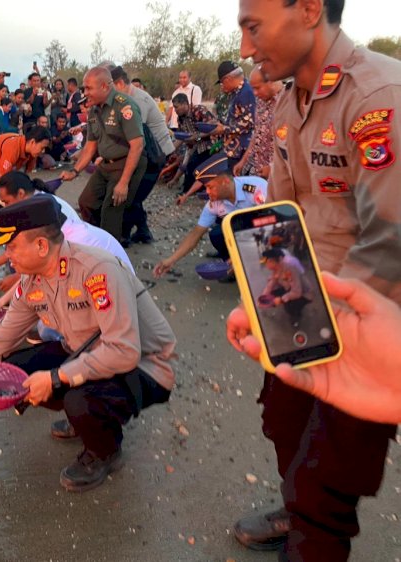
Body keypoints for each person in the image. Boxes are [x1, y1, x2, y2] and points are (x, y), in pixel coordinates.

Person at [232, 0, 401, 559]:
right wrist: (267, 296)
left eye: (253, 27)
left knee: (326, 480)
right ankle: (295, 508)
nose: (245, 49)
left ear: (307, 9)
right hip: (302, 309)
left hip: (367, 329)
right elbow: (281, 212)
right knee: (281, 422)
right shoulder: (286, 102)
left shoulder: (376, 97)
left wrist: (324, 326)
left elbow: (390, 241)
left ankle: (311, 526)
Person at [0, 196, 177, 492]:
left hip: (145, 365)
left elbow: (124, 351)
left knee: (79, 399)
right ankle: (85, 419)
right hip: (86, 352)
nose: (6, 255)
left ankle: (104, 452)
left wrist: (56, 378)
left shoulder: (96, 269)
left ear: (41, 246)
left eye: (11, 247)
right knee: (14, 371)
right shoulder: (32, 280)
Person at [228, 273, 401, 425]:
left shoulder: (292, 268)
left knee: (324, 442)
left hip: (343, 342)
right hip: (326, 352)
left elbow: (375, 260)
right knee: (284, 424)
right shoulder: (281, 268)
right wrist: (251, 308)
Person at [0, 171, 135, 299]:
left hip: (117, 285)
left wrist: (18, 279)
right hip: (99, 268)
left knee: (47, 327)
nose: (5, 206)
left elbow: (40, 263)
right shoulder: (37, 208)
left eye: (7, 202)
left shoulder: (44, 220)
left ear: (21, 193)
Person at [60, 67, 147, 242]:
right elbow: (90, 147)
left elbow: (137, 146)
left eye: (88, 88)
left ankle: (112, 254)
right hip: (106, 164)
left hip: (126, 163)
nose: (85, 92)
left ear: (105, 87)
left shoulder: (125, 106)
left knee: (112, 210)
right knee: (86, 202)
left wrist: (123, 183)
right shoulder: (93, 110)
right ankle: (100, 239)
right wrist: (74, 171)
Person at [152, 153, 266, 278]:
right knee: (217, 234)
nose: (207, 192)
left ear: (225, 182)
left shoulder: (256, 188)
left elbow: (279, 220)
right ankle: (234, 266)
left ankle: (251, 262)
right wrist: (170, 260)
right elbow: (195, 234)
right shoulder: (214, 204)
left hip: (268, 233)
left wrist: (246, 252)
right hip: (245, 235)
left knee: (244, 221)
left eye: (210, 187)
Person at [108, 63, 175, 246]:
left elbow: (134, 137)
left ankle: (124, 235)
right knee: (135, 191)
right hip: (148, 150)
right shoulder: (126, 99)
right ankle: (143, 232)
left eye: (110, 87)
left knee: (131, 192)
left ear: (120, 84)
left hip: (156, 152)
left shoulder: (138, 101)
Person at [0, 127, 51, 252]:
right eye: (42, 147)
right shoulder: (12, 147)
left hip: (0, 170)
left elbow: (25, 176)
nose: (43, 151)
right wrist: (5, 200)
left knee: (13, 204)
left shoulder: (32, 153)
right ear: (33, 142)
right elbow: (0, 180)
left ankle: (8, 237)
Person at [232, 67, 283, 178]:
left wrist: (273, 168)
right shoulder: (260, 102)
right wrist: (243, 161)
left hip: (278, 176)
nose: (255, 93)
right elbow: (257, 134)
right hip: (257, 169)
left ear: (270, 81)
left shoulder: (287, 102)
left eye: (257, 88)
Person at [210, 61, 256, 170]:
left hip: (239, 150)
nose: (222, 86)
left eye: (222, 83)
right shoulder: (237, 92)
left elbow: (248, 123)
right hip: (231, 147)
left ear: (227, 79)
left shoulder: (246, 92)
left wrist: (223, 129)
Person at [172, 93, 219, 195]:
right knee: (190, 167)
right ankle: (190, 190)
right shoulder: (181, 119)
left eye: (176, 107)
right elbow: (181, 137)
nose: (175, 110)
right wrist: (170, 150)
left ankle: (190, 191)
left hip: (211, 144)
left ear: (185, 104)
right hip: (196, 146)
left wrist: (196, 137)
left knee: (196, 168)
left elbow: (213, 127)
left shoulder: (199, 110)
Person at [258, 248, 313, 326]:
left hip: (305, 294)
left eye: (269, 261)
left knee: (289, 307)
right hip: (291, 288)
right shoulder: (276, 269)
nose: (267, 265)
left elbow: (297, 292)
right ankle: (292, 306)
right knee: (272, 293)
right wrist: (262, 298)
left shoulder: (289, 269)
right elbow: (270, 285)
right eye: (266, 262)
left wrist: (281, 299)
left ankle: (296, 315)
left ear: (279, 260)